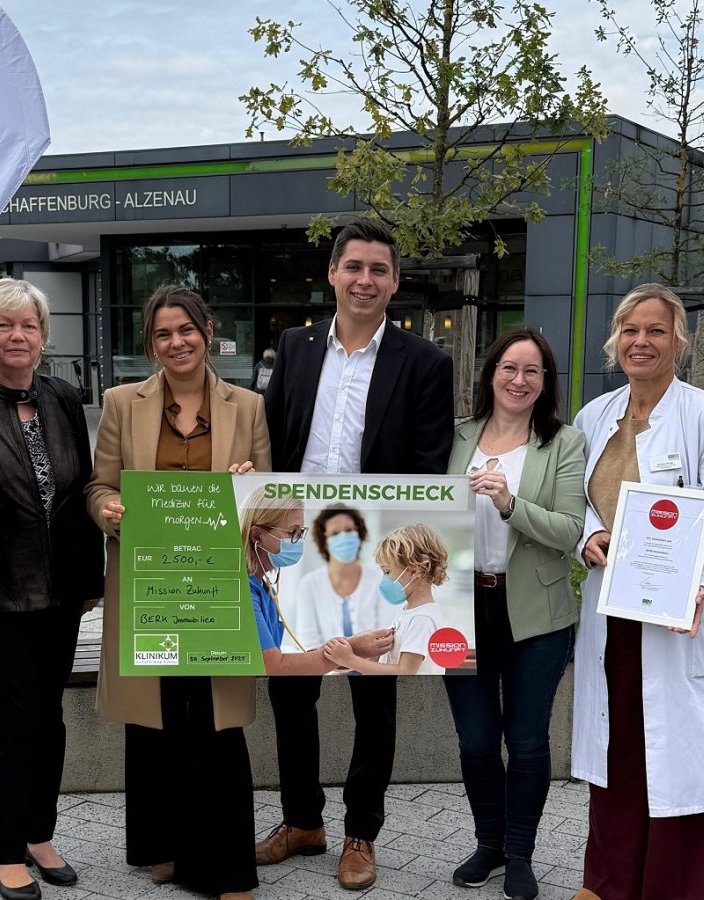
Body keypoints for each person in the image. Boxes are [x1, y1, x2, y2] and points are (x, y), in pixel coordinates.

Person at [259, 218, 453, 890]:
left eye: (379, 269)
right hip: (299, 550)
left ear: (395, 281)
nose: (365, 280)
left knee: (375, 698)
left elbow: (430, 472)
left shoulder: (425, 362)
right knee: (291, 688)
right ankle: (302, 821)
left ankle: (360, 834)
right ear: (333, 274)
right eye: (354, 267)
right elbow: (276, 442)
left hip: (377, 552)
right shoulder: (295, 346)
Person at [85, 285, 268, 900]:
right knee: (158, 716)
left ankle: (226, 869)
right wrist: (107, 509)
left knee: (215, 722)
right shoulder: (120, 403)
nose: (176, 343)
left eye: (186, 329)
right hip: (149, 580)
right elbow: (99, 485)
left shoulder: (247, 406)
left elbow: (273, 502)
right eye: (162, 334)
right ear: (150, 343)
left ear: (208, 330)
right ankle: (162, 847)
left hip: (219, 587)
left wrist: (253, 488)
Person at [569, 284, 704, 900]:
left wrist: (697, 587)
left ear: (679, 342)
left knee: (674, 759)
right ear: (615, 339)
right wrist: (587, 539)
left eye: (656, 331)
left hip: (677, 623)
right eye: (631, 330)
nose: (641, 342)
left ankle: (677, 887)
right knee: (618, 751)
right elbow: (577, 502)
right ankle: (610, 883)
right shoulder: (594, 417)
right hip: (612, 614)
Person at [0, 278, 103, 900]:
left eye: (28, 326)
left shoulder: (63, 398)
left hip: (61, 593)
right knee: (20, 720)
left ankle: (40, 831)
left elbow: (80, 492)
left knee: (53, 718)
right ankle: (5, 848)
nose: (17, 336)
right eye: (4, 325)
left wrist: (89, 579)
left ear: (44, 336)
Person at [442, 328, 586, 900]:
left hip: (536, 613)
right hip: (461, 606)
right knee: (476, 740)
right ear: (491, 374)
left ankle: (521, 853)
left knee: (526, 741)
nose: (519, 380)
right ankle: (489, 844)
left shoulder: (564, 443)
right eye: (509, 367)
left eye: (532, 371)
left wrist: (509, 504)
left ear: (545, 383)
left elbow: (570, 532)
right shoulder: (457, 436)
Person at [324, 523, 450, 676]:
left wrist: (349, 660)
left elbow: (405, 671)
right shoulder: (408, 612)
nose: (384, 579)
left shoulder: (421, 619)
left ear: (415, 571)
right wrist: (376, 658)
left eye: (387, 571)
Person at [279, 505, 387, 650]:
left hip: (375, 670)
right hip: (326, 671)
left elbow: (387, 636)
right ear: (324, 541)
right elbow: (308, 644)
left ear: (359, 534)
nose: (344, 537)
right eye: (335, 533)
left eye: (349, 530)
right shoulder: (309, 584)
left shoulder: (380, 579)